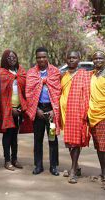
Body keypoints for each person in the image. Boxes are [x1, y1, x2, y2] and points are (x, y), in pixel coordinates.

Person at [25, 47, 61, 176]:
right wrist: (36, 110)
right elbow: (28, 94)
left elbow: (58, 92)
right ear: (36, 58)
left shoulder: (55, 72)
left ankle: (53, 166)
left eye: (43, 57)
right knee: (38, 139)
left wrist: (53, 110)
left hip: (51, 111)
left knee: (52, 139)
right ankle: (38, 166)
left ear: (47, 57)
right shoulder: (31, 73)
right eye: (39, 57)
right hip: (38, 111)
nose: (41, 59)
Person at [59, 51, 91, 183]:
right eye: (69, 57)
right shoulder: (63, 75)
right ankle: (76, 166)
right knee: (69, 141)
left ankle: (73, 170)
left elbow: (87, 94)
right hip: (64, 112)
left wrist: (85, 112)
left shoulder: (84, 74)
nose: (71, 59)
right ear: (66, 59)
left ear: (79, 59)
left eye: (74, 57)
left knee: (76, 141)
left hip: (78, 111)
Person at [0, 50, 27, 171]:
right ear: (5, 59)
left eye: (14, 57)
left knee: (15, 136)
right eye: (9, 58)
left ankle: (15, 159)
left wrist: (20, 107)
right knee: (7, 135)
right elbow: (0, 94)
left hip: (19, 109)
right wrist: (10, 108)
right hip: (7, 109)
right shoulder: (1, 73)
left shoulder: (21, 72)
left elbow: (25, 90)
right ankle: (7, 160)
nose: (11, 59)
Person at [88, 50, 105, 183]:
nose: (98, 61)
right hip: (93, 115)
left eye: (100, 58)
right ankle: (103, 173)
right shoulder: (92, 75)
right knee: (99, 147)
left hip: (103, 115)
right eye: (95, 59)